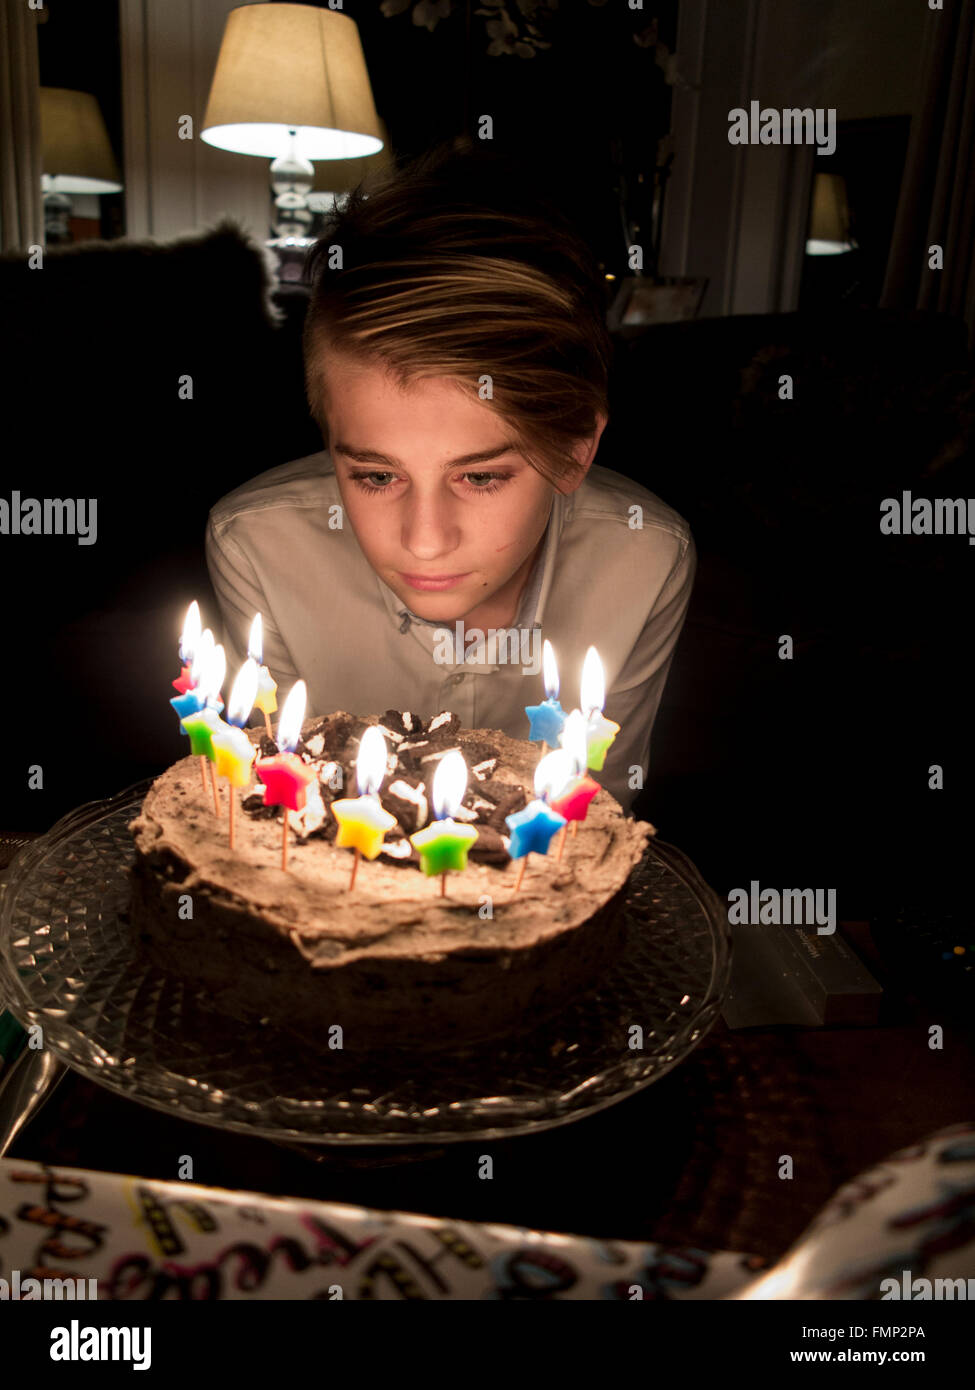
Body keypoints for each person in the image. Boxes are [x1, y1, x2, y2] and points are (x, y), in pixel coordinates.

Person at [206, 143, 695, 813]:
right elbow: (279, 808)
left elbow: (596, 815)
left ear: (576, 448)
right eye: (377, 476)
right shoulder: (257, 546)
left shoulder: (644, 559)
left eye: (482, 477)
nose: (425, 541)